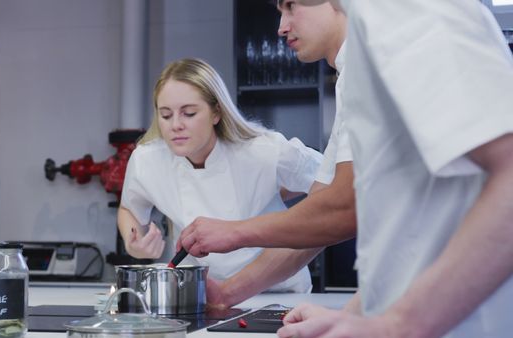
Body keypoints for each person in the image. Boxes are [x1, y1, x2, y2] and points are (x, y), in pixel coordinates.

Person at [277, 0, 513, 337]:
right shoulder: (370, 27)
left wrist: (400, 324)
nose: (282, 26)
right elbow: (420, 221)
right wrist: (356, 314)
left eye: (290, 5)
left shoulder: (399, 8)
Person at [118, 58, 323, 307]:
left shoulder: (263, 150)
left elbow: (336, 185)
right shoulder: (148, 160)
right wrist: (135, 244)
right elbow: (129, 208)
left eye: (189, 113)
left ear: (216, 112)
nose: (176, 125)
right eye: (166, 115)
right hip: (203, 298)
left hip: (278, 296)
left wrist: (285, 196)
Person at [177, 1, 355, 257]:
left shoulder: (365, 71)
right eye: (165, 114)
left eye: (291, 6)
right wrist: (228, 292)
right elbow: (318, 217)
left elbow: (343, 207)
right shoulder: (349, 77)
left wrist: (235, 232)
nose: (281, 28)